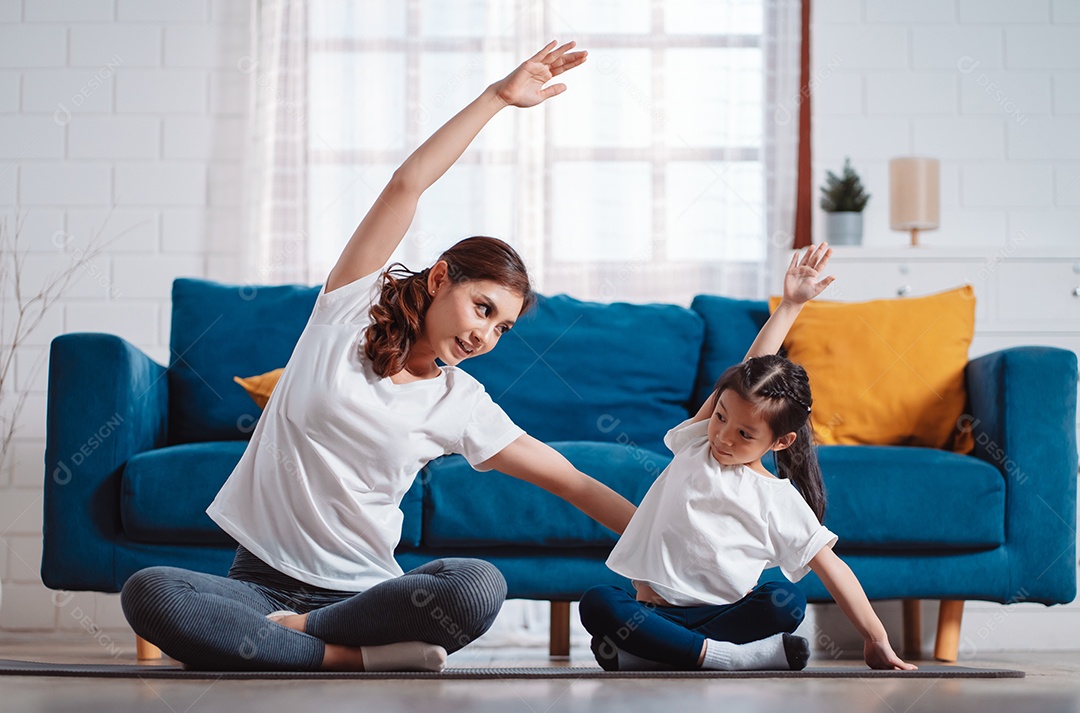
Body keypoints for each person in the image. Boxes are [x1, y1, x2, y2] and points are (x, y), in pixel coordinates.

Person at [121, 41, 637, 673]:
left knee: (478, 586)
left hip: (367, 597)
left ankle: (307, 640)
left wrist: (666, 550)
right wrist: (499, 98)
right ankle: (349, 659)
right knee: (151, 592)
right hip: (257, 584)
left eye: (501, 329)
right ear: (441, 277)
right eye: (482, 308)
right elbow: (407, 183)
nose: (484, 338)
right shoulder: (346, 311)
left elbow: (573, 482)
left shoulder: (460, 403)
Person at [578, 243, 918, 672]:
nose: (723, 436)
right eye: (720, 417)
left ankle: (664, 653)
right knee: (598, 603)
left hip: (723, 617)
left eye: (744, 434)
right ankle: (724, 657)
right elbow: (750, 365)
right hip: (653, 611)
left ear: (780, 442)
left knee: (787, 601)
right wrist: (790, 305)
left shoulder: (778, 499)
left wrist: (877, 638)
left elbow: (833, 568)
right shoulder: (698, 442)